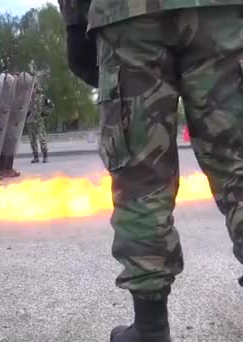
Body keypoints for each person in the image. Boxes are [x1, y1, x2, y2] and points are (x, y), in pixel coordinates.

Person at [58, 1, 243, 341]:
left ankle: (151, 330)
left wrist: (74, 22)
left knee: (140, 176)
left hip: (129, 15)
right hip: (223, 13)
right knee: (240, 164)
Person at [26, 86, 52, 164]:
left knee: (42, 139)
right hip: (30, 122)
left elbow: (51, 105)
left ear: (36, 88)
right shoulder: (28, 98)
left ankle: (45, 156)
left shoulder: (43, 97)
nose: (32, 90)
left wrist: (45, 114)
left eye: (34, 88)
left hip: (39, 122)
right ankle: (36, 157)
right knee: (32, 140)